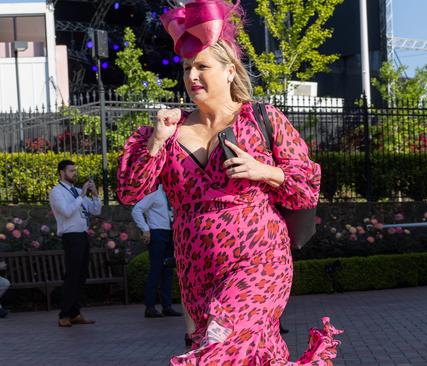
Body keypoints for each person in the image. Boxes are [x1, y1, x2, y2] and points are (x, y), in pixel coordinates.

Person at [117, 1, 341, 364]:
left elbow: (306, 183)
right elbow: (130, 191)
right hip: (198, 269)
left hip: (260, 261)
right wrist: (156, 142)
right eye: (187, 68)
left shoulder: (262, 119)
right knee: (252, 354)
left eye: (202, 66)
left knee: (224, 344)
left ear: (230, 71)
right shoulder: (169, 132)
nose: (192, 76)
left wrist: (264, 171)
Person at [49, 160, 102, 327]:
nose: (74, 173)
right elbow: (66, 212)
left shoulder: (78, 191)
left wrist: (94, 194)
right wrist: (81, 196)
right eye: (71, 171)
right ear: (61, 173)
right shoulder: (57, 192)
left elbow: (96, 210)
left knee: (81, 276)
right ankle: (64, 315)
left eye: (74, 170)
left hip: (82, 236)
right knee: (72, 276)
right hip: (71, 237)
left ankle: (75, 313)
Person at [131, 184, 182, 319]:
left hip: (170, 233)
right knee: (156, 269)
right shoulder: (154, 193)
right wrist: (145, 229)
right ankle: (150, 307)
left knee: (168, 270)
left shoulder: (172, 194)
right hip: (157, 233)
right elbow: (137, 209)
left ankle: (167, 306)